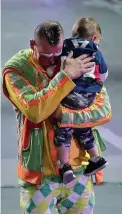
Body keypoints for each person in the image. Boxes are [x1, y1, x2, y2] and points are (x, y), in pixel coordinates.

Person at [2, 20, 111, 214]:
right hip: (40, 177)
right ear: (32, 45)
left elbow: (103, 111)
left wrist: (63, 114)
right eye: (46, 54)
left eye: (57, 53)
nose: (53, 59)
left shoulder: (77, 58)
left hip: (79, 172)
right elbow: (35, 111)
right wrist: (65, 76)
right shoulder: (16, 70)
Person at [54, 17, 109, 184]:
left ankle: (64, 166)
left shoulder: (66, 45)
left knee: (64, 127)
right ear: (94, 38)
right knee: (83, 127)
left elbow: (58, 67)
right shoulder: (95, 49)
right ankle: (95, 158)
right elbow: (104, 74)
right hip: (89, 97)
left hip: (71, 95)